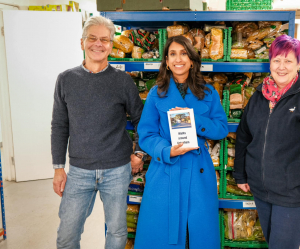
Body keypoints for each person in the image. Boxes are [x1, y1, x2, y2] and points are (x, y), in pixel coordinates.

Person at [233, 35, 300, 249]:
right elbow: (244, 136)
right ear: (270, 63)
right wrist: (241, 174)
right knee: (273, 242)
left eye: (288, 61)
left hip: (295, 194)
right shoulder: (259, 95)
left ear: (298, 64)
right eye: (276, 60)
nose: (281, 67)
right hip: (261, 190)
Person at [51, 16, 147, 249]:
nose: (98, 44)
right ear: (82, 42)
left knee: (116, 231)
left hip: (117, 170)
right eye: (92, 38)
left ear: (111, 45)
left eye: (104, 39)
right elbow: (59, 125)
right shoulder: (66, 79)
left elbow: (141, 120)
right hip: (79, 171)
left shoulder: (123, 82)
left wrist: (139, 153)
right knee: (66, 236)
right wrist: (58, 168)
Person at [134, 36, 228, 249]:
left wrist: (194, 119)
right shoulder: (156, 93)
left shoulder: (209, 92)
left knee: (196, 232)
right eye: (173, 54)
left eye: (184, 53)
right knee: (163, 231)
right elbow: (146, 133)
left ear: (192, 60)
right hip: (166, 169)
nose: (179, 59)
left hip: (198, 171)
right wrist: (166, 151)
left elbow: (221, 129)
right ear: (166, 61)